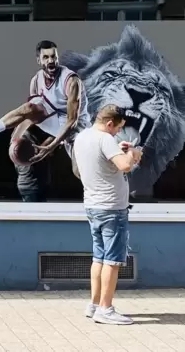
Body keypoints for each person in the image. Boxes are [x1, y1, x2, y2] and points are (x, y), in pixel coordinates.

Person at [0, 40, 90, 199]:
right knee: (30, 107)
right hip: (53, 118)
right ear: (39, 60)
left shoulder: (70, 80)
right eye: (46, 57)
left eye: (53, 56)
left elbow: (71, 121)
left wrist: (51, 145)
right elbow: (30, 115)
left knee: (79, 171)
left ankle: (104, 194)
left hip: (76, 126)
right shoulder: (36, 80)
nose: (51, 61)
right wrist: (15, 138)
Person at [72, 104, 143, 325]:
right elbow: (125, 166)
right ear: (109, 123)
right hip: (111, 209)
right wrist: (133, 152)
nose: (116, 133)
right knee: (112, 261)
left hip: (93, 206)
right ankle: (106, 309)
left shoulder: (82, 137)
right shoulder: (104, 139)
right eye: (116, 129)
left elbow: (90, 165)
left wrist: (117, 148)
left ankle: (94, 305)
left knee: (99, 258)